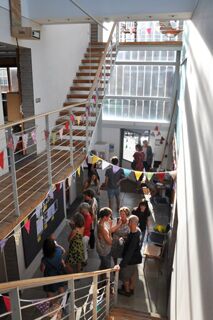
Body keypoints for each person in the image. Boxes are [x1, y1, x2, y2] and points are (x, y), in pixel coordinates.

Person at [118, 215, 143, 297]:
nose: (128, 223)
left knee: (125, 276)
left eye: (129, 222)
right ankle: (131, 288)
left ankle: (127, 291)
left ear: (132, 223)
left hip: (130, 260)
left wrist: (122, 264)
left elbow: (130, 252)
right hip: (135, 259)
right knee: (132, 274)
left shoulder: (134, 236)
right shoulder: (137, 231)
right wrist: (124, 239)